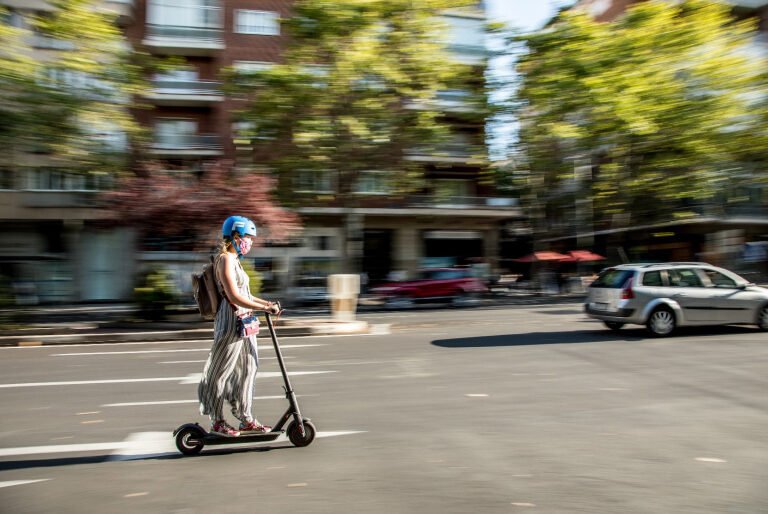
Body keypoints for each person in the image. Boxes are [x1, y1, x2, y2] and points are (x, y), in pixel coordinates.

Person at [198, 215, 281, 437]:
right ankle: (217, 421)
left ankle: (246, 418)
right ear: (235, 236)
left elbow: (246, 294)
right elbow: (234, 297)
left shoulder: (235, 260)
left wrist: (267, 304)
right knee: (219, 372)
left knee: (249, 369)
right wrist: (264, 309)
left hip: (245, 321)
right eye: (248, 238)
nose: (251, 242)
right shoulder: (224, 259)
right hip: (230, 322)